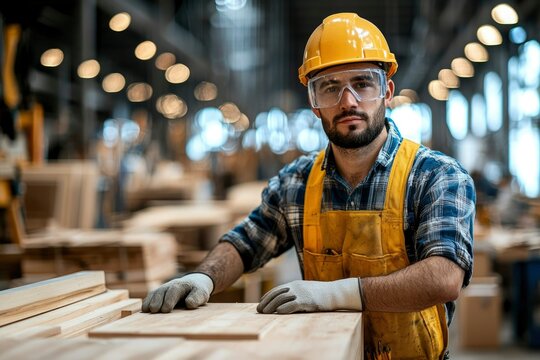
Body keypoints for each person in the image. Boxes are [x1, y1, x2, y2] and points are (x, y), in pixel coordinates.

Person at [142, 13, 475, 359]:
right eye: (330, 88)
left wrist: (331, 294)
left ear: (386, 91)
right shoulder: (298, 183)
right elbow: (246, 242)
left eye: (362, 84)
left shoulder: (436, 176)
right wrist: (204, 278)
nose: (348, 101)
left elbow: (444, 277)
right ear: (314, 104)